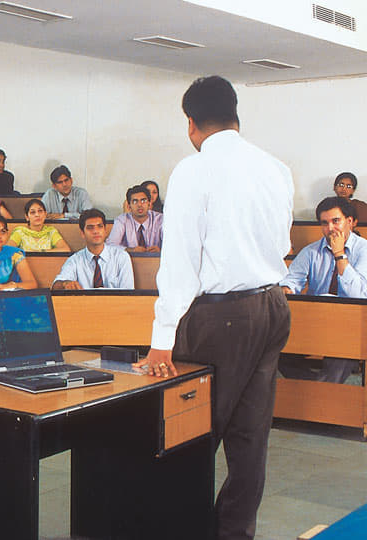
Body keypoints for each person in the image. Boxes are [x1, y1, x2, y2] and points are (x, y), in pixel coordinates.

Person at [133, 75, 293, 540]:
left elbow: (180, 262)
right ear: (235, 115)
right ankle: (234, 532)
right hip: (272, 306)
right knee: (250, 438)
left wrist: (162, 339)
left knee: (191, 434)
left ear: (191, 123)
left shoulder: (193, 169)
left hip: (221, 317)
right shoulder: (275, 167)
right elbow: (282, 244)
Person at [279, 197, 365, 383]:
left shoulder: (364, 251)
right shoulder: (311, 251)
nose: (330, 228)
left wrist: (339, 254)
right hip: (316, 323)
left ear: (349, 221)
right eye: (324, 223)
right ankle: (318, 386)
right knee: (276, 351)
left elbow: (358, 295)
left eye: (336, 221)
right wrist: (287, 288)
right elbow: (292, 279)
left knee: (339, 362)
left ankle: (321, 389)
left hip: (350, 328)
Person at [52, 209, 133, 290]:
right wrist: (65, 283)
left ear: (105, 231)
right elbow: (56, 285)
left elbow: (128, 292)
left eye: (100, 226)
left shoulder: (121, 257)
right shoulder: (74, 260)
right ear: (82, 233)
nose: (96, 231)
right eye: (90, 228)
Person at [107, 185, 163, 252]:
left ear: (149, 204)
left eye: (143, 201)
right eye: (135, 201)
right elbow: (110, 245)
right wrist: (130, 250)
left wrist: (161, 250)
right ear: (129, 206)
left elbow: (172, 244)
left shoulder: (160, 219)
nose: (139, 205)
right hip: (129, 258)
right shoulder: (122, 220)